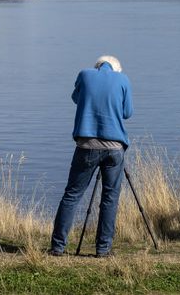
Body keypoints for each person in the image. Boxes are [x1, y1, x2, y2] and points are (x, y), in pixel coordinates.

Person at [49, 55, 133, 257]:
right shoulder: (123, 80)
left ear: (97, 66)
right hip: (114, 147)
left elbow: (76, 99)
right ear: (115, 69)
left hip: (87, 145)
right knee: (110, 198)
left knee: (72, 195)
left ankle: (58, 247)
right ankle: (103, 250)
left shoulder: (84, 74)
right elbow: (127, 113)